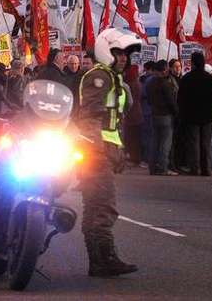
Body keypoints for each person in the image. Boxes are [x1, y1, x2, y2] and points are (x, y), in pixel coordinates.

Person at [77, 27, 140, 277]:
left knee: (94, 206)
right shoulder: (98, 77)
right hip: (95, 152)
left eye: (126, 54)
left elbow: (117, 119)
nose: (124, 58)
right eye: (118, 52)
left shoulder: (115, 79)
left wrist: (119, 150)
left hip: (106, 150)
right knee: (103, 205)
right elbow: (90, 117)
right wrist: (97, 150)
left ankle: (99, 260)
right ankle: (104, 258)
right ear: (106, 50)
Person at [178, 52, 212, 176]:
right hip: (206, 115)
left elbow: (181, 98)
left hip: (191, 115)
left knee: (194, 142)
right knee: (206, 143)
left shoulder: (187, 78)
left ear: (193, 63)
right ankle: (206, 169)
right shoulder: (210, 78)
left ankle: (195, 168)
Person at [146, 60, 178, 175]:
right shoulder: (165, 84)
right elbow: (171, 101)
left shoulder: (150, 83)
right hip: (166, 115)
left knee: (155, 141)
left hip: (154, 114)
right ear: (164, 69)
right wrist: (176, 113)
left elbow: (149, 99)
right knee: (165, 143)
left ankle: (152, 167)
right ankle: (163, 167)